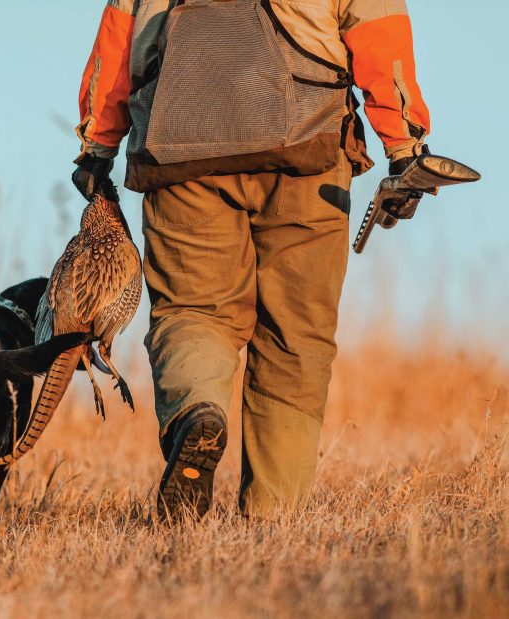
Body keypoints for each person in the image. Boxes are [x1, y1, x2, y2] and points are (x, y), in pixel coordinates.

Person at [72, 0, 429, 519]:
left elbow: (117, 43)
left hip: (179, 148)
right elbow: (378, 30)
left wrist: (95, 147)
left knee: (193, 312)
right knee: (296, 336)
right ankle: (273, 514)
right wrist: (404, 147)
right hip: (309, 152)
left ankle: (198, 409)